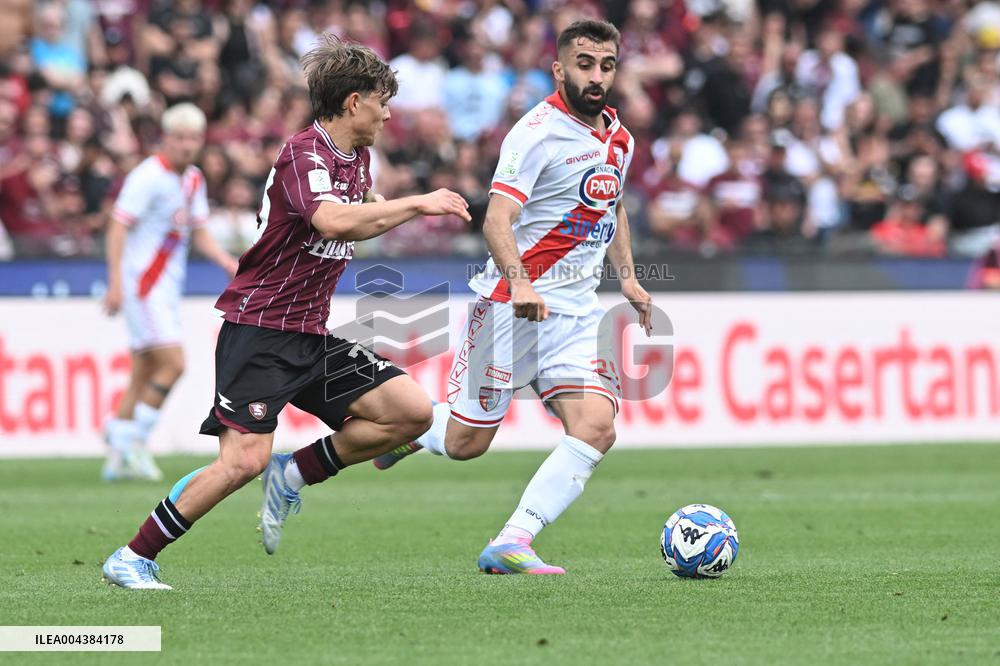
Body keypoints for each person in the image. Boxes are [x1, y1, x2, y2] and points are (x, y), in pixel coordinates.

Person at [275, 19, 652, 575]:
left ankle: (512, 541)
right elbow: (498, 218)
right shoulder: (536, 131)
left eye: (607, 65)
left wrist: (628, 276)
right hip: (509, 306)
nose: (596, 76)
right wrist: (520, 280)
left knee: (597, 427)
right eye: (585, 64)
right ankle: (411, 431)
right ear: (559, 68)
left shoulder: (620, 137)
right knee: (464, 443)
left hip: (573, 314)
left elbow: (611, 204)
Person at [101, 36, 471, 589]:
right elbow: (331, 221)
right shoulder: (305, 152)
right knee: (238, 464)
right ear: (353, 103)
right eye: (381, 100)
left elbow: (358, 210)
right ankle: (132, 555)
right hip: (260, 331)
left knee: (410, 413)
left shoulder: (357, 158)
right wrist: (418, 203)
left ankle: (294, 471)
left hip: (309, 334)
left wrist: (383, 207)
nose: (388, 112)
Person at [102, 103, 238, 482]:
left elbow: (200, 232)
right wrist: (115, 283)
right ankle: (132, 443)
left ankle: (117, 455)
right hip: (142, 286)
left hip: (165, 287)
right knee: (174, 363)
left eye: (193, 138)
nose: (186, 145)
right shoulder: (147, 177)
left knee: (143, 371)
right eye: (179, 137)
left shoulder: (193, 178)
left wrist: (228, 263)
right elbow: (117, 227)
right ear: (166, 138)